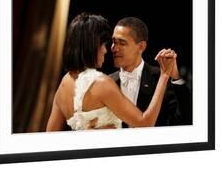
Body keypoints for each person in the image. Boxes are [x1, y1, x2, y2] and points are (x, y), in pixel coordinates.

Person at [46, 13, 176, 131]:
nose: (107, 50)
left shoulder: (64, 82)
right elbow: (145, 123)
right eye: (104, 44)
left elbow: (51, 136)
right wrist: (164, 75)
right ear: (92, 46)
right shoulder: (102, 82)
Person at [110, 17, 192, 127]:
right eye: (114, 42)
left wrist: (176, 77)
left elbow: (184, 119)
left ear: (141, 46)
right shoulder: (107, 82)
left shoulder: (161, 77)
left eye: (122, 43)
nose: (114, 48)